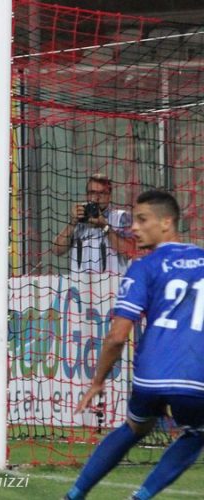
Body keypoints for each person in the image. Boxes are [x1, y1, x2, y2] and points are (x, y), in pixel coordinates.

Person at [65, 190, 204, 499]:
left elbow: (117, 336)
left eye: (142, 220)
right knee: (196, 433)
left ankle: (74, 494)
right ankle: (141, 497)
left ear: (167, 222)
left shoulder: (144, 267)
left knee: (134, 427)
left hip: (149, 375)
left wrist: (98, 381)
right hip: (195, 377)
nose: (134, 228)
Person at [51, 173, 135, 273]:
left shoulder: (121, 217)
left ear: (109, 196)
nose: (96, 197)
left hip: (112, 284)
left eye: (102, 193)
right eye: (92, 193)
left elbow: (130, 252)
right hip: (80, 285)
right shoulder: (79, 218)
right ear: (87, 195)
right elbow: (57, 250)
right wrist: (72, 223)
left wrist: (105, 227)